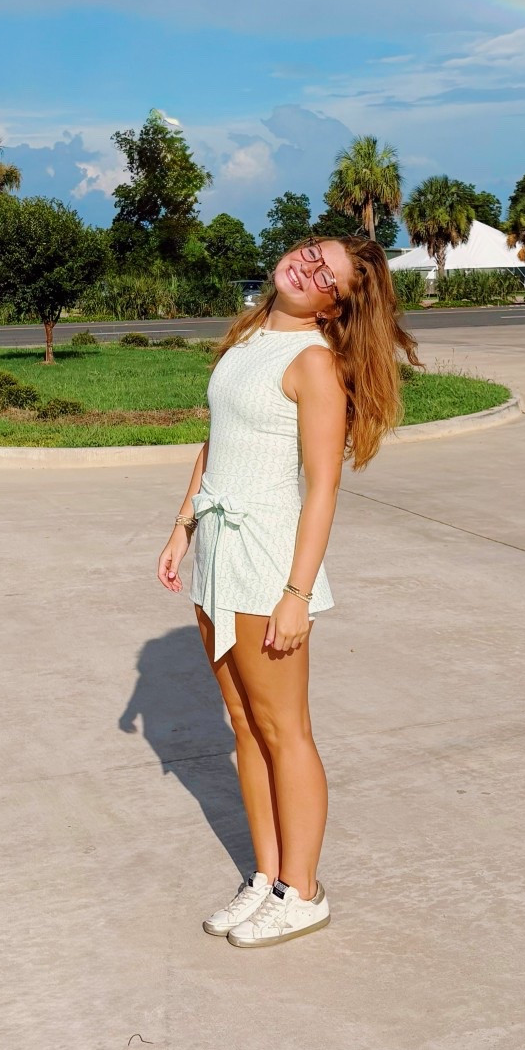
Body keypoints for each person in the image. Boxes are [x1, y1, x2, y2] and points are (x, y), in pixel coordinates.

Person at [157, 236, 421, 948]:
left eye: (324, 274)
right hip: (217, 548)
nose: (306, 267)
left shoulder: (313, 363)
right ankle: (268, 877)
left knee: (284, 730)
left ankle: (303, 891)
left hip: (268, 560)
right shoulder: (248, 337)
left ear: (336, 303)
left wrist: (297, 593)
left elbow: (323, 488)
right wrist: (183, 527)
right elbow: (216, 444)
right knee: (243, 727)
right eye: (310, 252)